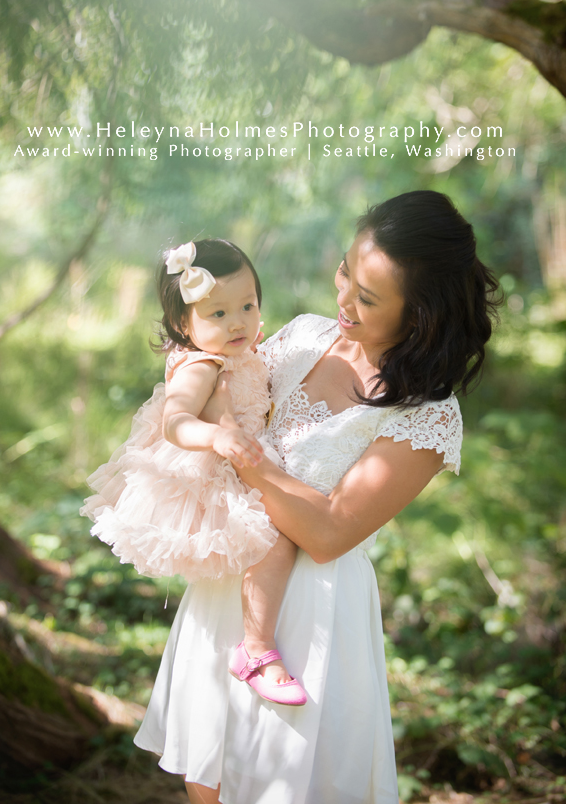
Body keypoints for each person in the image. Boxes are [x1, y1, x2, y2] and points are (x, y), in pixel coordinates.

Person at [135, 190, 501, 804]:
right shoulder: (305, 335)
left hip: (314, 616)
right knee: (212, 779)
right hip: (234, 580)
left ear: (421, 313)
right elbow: (224, 383)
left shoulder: (428, 414)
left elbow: (329, 532)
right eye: (345, 276)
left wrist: (240, 453)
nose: (343, 302)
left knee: (288, 784)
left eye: (368, 298)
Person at [81, 238, 307, 706]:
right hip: (212, 472)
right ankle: (256, 650)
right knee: (275, 541)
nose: (238, 322)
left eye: (248, 305)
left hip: (241, 459)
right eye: (218, 314)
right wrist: (216, 435)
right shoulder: (201, 365)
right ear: (184, 324)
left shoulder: (233, 353)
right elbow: (175, 421)